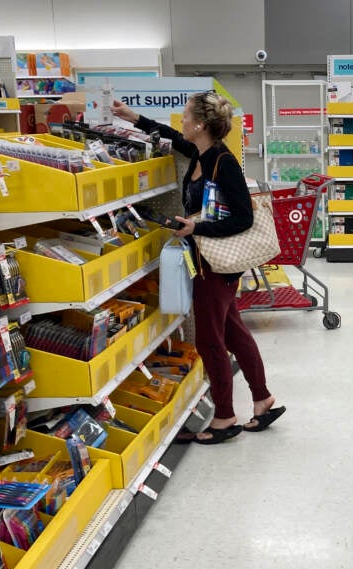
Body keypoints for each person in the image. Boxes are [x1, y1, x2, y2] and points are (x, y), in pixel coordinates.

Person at [111, 92, 285, 445]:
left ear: (202, 125)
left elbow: (243, 217)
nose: (182, 122)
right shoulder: (200, 153)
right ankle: (262, 399)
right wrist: (134, 119)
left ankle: (224, 417)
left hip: (216, 265)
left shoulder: (224, 162)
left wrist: (196, 228)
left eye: (187, 117)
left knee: (210, 341)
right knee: (233, 331)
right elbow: (172, 136)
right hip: (207, 261)